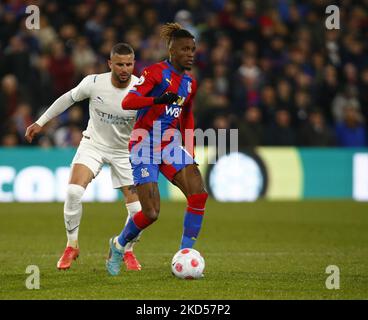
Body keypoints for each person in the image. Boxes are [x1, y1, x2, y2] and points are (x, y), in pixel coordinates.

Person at [25, 43, 143, 271]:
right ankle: (72, 245)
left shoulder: (141, 88)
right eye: (119, 64)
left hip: (125, 151)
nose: (124, 69)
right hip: (94, 144)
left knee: (138, 210)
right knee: (73, 191)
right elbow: (67, 99)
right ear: (110, 64)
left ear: (133, 64)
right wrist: (40, 122)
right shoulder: (94, 82)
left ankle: (126, 250)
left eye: (128, 64)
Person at [105, 23, 208, 276]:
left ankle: (184, 254)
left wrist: (190, 148)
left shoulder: (190, 83)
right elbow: (129, 101)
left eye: (193, 49)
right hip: (144, 145)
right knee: (150, 213)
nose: (191, 53)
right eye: (185, 49)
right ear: (172, 50)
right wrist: (157, 99)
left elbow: (187, 114)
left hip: (170, 145)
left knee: (198, 193)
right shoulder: (154, 73)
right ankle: (118, 245)